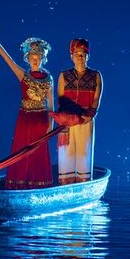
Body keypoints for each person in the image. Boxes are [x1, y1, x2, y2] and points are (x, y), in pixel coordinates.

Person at [0, 23, 54, 189]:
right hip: (25, 119)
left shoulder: (49, 79)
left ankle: (38, 185)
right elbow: (7, 59)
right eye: (32, 58)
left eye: (38, 58)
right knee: (21, 150)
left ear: (42, 59)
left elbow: (51, 104)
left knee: (38, 152)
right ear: (28, 59)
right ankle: (19, 184)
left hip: (41, 120)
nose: (35, 60)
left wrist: (51, 125)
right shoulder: (22, 74)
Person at [56, 38, 103, 184]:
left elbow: (96, 99)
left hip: (86, 119)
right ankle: (66, 184)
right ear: (71, 56)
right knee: (67, 154)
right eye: (76, 54)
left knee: (84, 153)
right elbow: (61, 99)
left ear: (88, 56)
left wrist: (89, 116)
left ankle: (84, 184)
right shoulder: (64, 76)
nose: (80, 57)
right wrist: (66, 119)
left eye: (83, 54)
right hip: (67, 121)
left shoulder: (96, 75)